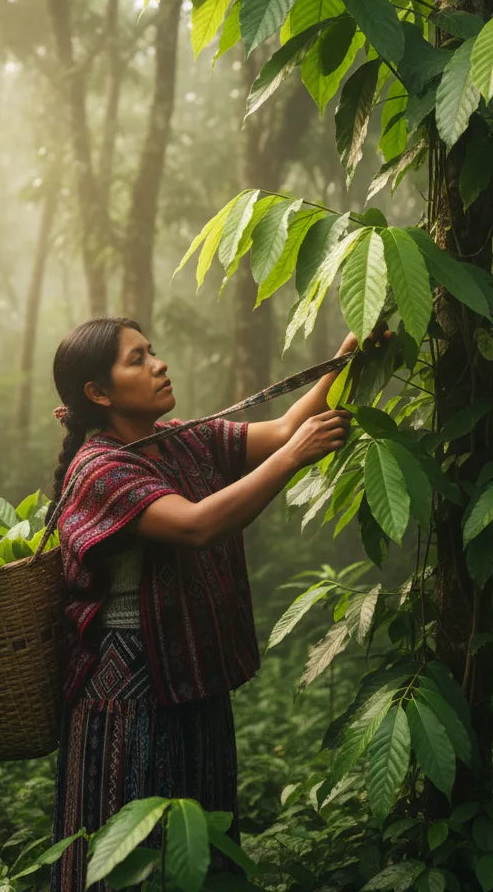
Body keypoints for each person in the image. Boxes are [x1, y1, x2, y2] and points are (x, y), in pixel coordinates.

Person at [49, 316, 355, 891]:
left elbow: (289, 425)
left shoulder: (179, 437)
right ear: (98, 392)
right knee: (123, 846)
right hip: (126, 690)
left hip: (190, 674)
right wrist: (292, 460)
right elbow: (194, 526)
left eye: (153, 352)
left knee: (202, 832)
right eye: (137, 359)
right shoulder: (100, 468)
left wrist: (349, 362)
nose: (158, 364)